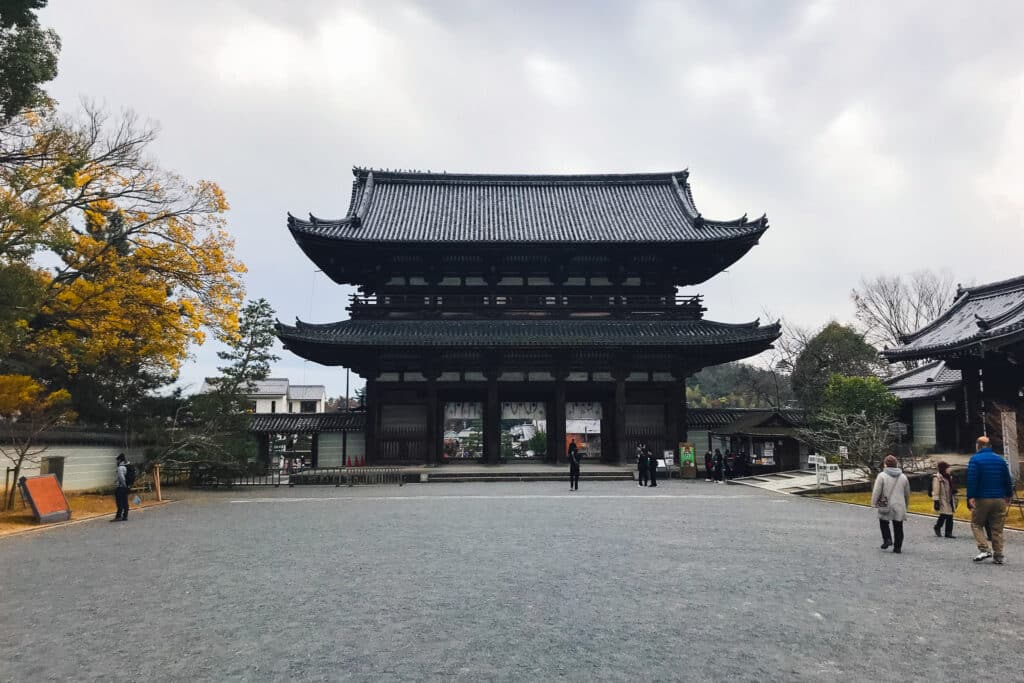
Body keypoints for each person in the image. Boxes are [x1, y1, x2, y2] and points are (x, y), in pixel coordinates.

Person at [967, 435, 1013, 564]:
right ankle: (998, 555)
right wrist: (1008, 495)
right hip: (999, 498)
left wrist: (970, 496)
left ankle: (984, 549)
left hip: (983, 498)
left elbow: (972, 480)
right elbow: (1007, 479)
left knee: (976, 524)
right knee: (997, 528)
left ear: (978, 446)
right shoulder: (1000, 460)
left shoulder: (975, 460)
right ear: (990, 446)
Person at [871, 455, 910, 553]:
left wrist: (873, 502)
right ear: (896, 464)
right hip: (899, 504)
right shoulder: (903, 477)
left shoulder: (882, 476)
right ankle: (898, 547)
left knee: (883, 522)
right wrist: (906, 504)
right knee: (898, 526)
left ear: (885, 464)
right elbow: (907, 493)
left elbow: (877, 491)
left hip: (886, 503)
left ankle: (887, 539)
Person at [931, 461, 957, 538]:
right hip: (942, 499)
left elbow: (949, 488)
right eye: (948, 468)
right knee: (948, 515)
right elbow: (936, 490)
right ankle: (947, 532)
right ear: (944, 469)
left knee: (944, 515)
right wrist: (936, 500)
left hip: (949, 498)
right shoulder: (937, 478)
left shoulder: (948, 477)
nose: (949, 469)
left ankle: (938, 527)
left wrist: (953, 491)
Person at [112, 453, 129, 522]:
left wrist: (123, 485)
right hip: (125, 487)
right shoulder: (127, 466)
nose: (116, 462)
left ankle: (118, 516)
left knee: (119, 502)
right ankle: (125, 516)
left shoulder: (120, 468)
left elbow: (121, 478)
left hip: (121, 487)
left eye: (117, 460)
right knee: (125, 502)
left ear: (119, 460)